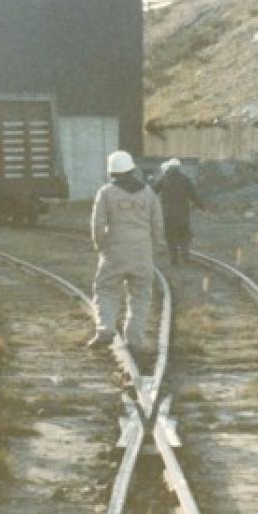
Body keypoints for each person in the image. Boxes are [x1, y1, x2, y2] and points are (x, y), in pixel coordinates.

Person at [88, 149, 163, 361]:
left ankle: (105, 328)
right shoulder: (148, 193)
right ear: (132, 169)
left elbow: (97, 224)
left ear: (112, 171)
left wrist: (100, 245)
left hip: (115, 249)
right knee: (140, 296)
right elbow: (157, 224)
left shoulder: (105, 192)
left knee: (105, 289)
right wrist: (153, 248)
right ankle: (134, 340)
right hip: (142, 250)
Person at [154, 158, 206, 265]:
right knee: (184, 237)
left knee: (170, 237)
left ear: (169, 168)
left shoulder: (163, 179)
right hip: (183, 215)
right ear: (179, 167)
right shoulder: (185, 179)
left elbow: (152, 192)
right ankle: (185, 257)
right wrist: (203, 207)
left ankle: (173, 260)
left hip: (168, 215)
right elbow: (194, 196)